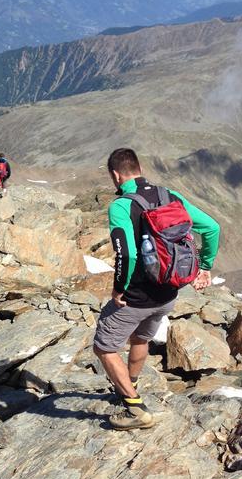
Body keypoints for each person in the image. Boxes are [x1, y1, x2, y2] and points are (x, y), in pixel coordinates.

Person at [94, 148, 220, 430]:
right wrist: (205, 266)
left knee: (104, 346)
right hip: (170, 292)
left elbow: (127, 255)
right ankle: (130, 385)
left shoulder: (122, 206)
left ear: (115, 175)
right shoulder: (170, 196)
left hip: (138, 295)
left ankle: (134, 408)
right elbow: (212, 228)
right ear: (139, 168)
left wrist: (119, 288)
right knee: (140, 338)